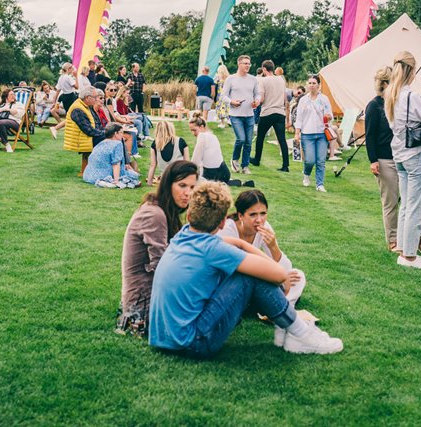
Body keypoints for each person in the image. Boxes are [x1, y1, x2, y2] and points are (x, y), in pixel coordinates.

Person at [148, 180, 343, 357]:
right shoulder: (213, 248)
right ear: (224, 221)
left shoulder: (184, 235)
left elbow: (232, 243)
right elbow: (280, 275)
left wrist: (243, 246)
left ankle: (291, 329)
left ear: (189, 216)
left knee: (249, 268)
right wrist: (256, 256)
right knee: (249, 276)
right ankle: (301, 334)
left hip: (165, 338)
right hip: (193, 343)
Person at [117, 161, 198, 336]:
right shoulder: (155, 214)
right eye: (182, 185)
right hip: (142, 307)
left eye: (192, 187)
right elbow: (162, 266)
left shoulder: (164, 210)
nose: (188, 193)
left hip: (149, 297)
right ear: (168, 184)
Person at [384, 52, 421, 271]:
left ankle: (402, 248)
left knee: (407, 204)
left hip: (399, 153)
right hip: (416, 154)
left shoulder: (391, 94)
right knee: (415, 206)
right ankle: (410, 255)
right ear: (411, 70)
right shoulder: (410, 96)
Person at [219, 190, 306, 307]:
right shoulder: (227, 229)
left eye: (263, 213)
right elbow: (232, 269)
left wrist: (273, 246)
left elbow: (285, 269)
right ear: (240, 216)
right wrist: (272, 275)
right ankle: (280, 306)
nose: (259, 220)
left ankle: (284, 305)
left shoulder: (265, 228)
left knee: (297, 276)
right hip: (232, 282)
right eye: (253, 214)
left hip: (255, 280)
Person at [366, 67, 399, 253]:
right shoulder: (374, 106)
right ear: (385, 84)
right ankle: (393, 239)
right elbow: (369, 136)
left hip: (402, 157)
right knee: (390, 201)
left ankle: (417, 237)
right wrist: (373, 160)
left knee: (410, 201)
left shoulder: (397, 102)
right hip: (384, 159)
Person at [293, 74, 333, 193]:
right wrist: (297, 133)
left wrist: (328, 116)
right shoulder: (303, 100)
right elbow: (299, 118)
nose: (311, 85)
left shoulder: (324, 99)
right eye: (309, 83)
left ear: (318, 85)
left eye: (314, 83)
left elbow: (330, 114)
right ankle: (306, 174)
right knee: (310, 160)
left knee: (321, 160)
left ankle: (319, 184)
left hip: (321, 133)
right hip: (307, 134)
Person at [222, 56, 260, 174]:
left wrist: (257, 101)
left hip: (249, 115)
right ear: (239, 64)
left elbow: (257, 94)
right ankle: (234, 160)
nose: (248, 65)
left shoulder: (253, 79)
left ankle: (245, 166)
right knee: (241, 139)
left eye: (249, 64)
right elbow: (223, 96)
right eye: (245, 63)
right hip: (235, 114)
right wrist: (232, 102)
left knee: (248, 142)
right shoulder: (231, 79)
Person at [252, 59, 290, 172]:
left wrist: (256, 103)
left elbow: (262, 98)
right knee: (282, 139)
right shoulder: (281, 80)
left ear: (264, 69)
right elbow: (285, 98)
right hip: (280, 113)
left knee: (260, 137)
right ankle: (285, 165)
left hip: (267, 112)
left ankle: (257, 159)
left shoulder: (263, 81)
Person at [84, 123, 141, 188]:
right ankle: (107, 182)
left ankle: (105, 182)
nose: (122, 135)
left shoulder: (101, 143)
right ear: (115, 133)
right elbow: (116, 164)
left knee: (130, 172)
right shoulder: (117, 144)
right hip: (104, 174)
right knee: (133, 175)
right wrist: (116, 181)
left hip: (88, 175)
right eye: (121, 132)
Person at [64, 86, 105, 173]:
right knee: (115, 139)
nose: (96, 99)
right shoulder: (78, 109)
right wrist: (106, 133)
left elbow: (96, 125)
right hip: (82, 140)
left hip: (87, 137)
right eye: (95, 97)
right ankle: (123, 167)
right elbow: (88, 130)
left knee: (117, 137)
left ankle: (124, 166)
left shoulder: (86, 106)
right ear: (87, 98)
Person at [190, 115, 231, 183]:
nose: (193, 133)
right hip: (225, 172)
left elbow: (195, 162)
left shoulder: (202, 136)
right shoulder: (213, 136)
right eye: (191, 131)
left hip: (213, 175)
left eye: (194, 130)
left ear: (202, 127)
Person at [146, 120, 190, 184]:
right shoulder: (181, 141)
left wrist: (149, 183)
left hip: (165, 179)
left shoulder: (155, 144)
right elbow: (187, 164)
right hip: (179, 178)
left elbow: (153, 165)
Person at [214, 63, 231, 128]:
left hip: (220, 95)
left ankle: (222, 123)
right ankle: (229, 120)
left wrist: (214, 97)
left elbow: (215, 87)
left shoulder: (217, 78)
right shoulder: (229, 77)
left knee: (221, 109)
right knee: (227, 108)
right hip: (227, 95)